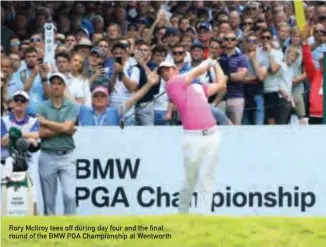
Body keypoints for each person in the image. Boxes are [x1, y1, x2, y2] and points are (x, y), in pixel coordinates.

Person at [157, 58, 227, 214]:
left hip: (212, 134)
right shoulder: (172, 85)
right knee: (191, 180)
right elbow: (199, 71)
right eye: (163, 73)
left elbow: (221, 84)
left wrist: (216, 65)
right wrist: (208, 61)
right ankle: (182, 212)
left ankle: (204, 217)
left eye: (168, 69)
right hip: (192, 137)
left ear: (176, 69)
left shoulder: (198, 87)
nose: (166, 73)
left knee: (207, 179)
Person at [36, 73, 79, 215]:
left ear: (64, 86)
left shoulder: (71, 106)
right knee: (49, 201)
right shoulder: (42, 106)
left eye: (59, 83)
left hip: (67, 156)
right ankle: (51, 233)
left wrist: (46, 122)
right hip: (47, 155)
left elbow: (67, 128)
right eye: (53, 83)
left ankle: (69, 230)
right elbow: (42, 133)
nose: (55, 86)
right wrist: (65, 129)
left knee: (70, 196)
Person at [1, 91, 40, 214]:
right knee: (3, 201)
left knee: (32, 200)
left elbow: (35, 139)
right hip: (6, 163)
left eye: (22, 100)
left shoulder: (34, 121)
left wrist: (15, 133)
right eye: (16, 99)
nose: (19, 102)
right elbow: (3, 142)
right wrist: (26, 138)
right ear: (11, 103)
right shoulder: (3, 120)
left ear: (27, 104)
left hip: (27, 164)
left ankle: (33, 231)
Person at [78, 72, 159, 126]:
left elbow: (134, 99)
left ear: (107, 100)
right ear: (91, 99)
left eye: (103, 96)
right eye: (96, 96)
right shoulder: (83, 110)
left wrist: (149, 84)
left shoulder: (115, 112)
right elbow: (68, 96)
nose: (99, 98)